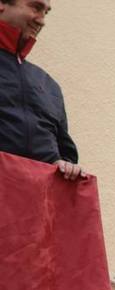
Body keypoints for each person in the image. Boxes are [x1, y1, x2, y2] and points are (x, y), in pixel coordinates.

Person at [0, 0, 82, 179]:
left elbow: (65, 154)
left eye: (46, 12)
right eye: (36, 7)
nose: (42, 20)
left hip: (34, 200)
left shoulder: (48, 85)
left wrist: (65, 166)